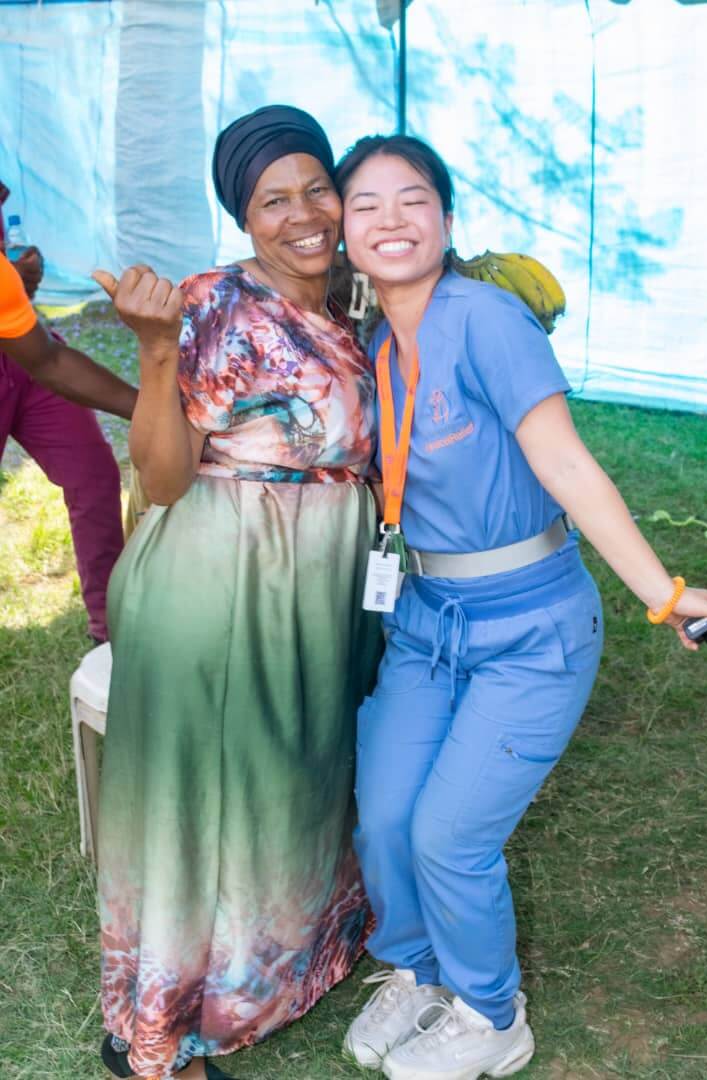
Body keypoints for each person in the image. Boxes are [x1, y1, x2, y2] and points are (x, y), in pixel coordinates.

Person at [334, 134, 707, 1080]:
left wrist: (664, 593)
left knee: (448, 835)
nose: (391, 219)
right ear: (343, 231)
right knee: (384, 816)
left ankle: (491, 1014)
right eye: (366, 204)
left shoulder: (488, 319)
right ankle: (419, 975)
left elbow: (566, 462)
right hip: (426, 621)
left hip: (529, 628)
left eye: (412, 198)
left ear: (447, 217)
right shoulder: (378, 342)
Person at [92, 106, 381, 1079]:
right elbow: (165, 478)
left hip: (317, 581)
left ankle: (261, 981)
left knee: (288, 780)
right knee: (197, 807)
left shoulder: (360, 295)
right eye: (272, 201)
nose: (303, 215)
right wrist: (155, 348)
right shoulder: (213, 304)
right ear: (242, 217)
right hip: (220, 575)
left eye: (316, 188)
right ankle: (156, 1033)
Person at [0, 183, 134, 641]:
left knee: (92, 474)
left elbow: (48, 362)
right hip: (29, 352)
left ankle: (111, 630)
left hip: (24, 351)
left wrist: (154, 409)